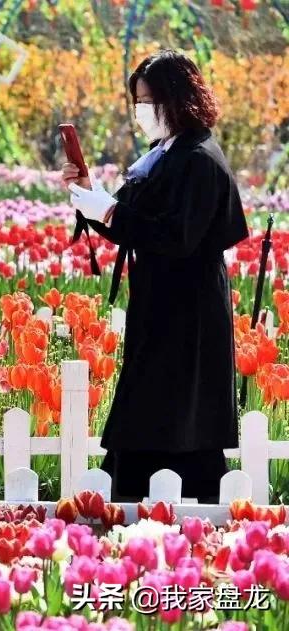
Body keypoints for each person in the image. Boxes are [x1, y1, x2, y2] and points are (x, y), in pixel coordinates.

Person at [62, 50, 247, 503]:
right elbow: (130, 218)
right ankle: (134, 500)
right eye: (138, 102)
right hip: (161, 305)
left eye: (149, 101)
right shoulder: (165, 154)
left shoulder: (200, 159)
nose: (142, 111)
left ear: (177, 99)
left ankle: (167, 507)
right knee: (154, 409)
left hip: (188, 312)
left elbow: (176, 236)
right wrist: (91, 196)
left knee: (179, 415)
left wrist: (107, 209)